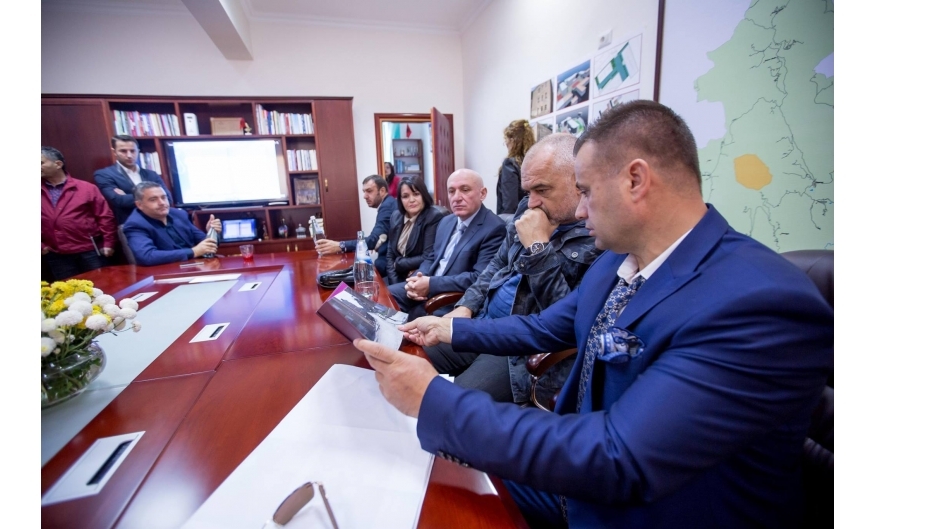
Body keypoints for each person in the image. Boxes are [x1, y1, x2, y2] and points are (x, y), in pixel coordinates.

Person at [355, 101, 833, 528]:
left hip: (635, 506)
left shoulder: (759, 302)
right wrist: (451, 329)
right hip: (578, 479)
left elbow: (620, 456)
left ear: (635, 180)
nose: (579, 211)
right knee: (427, 475)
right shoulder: (616, 262)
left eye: (585, 191)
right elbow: (542, 327)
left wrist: (433, 399)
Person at [424, 133, 600, 404]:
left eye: (542, 190)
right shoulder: (525, 209)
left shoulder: (597, 235)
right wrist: (466, 306)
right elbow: (497, 264)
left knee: (452, 404)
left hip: (519, 348)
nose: (531, 202)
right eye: (528, 191)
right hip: (483, 320)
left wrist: (538, 249)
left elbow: (565, 322)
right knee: (411, 355)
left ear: (578, 182)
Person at [387, 169, 506, 320]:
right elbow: (431, 257)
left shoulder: (494, 228)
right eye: (451, 191)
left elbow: (479, 278)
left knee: (406, 323)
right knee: (383, 296)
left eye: (465, 190)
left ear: (482, 193)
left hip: (452, 298)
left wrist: (431, 284)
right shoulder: (446, 221)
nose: (456, 197)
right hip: (428, 285)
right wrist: (417, 279)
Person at [41, 146, 117, 280]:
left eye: (41, 163)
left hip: (89, 251)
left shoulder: (86, 188)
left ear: (58, 164)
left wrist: (108, 243)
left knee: (99, 286)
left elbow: (105, 217)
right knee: (67, 290)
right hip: (56, 254)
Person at [122, 182, 221, 266]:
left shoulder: (179, 214)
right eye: (153, 199)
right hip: (166, 272)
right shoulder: (135, 224)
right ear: (139, 205)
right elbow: (147, 256)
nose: (161, 203)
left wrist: (211, 232)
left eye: (163, 198)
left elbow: (207, 246)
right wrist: (193, 252)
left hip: (196, 266)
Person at [315, 175, 397, 276]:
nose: (365, 196)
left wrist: (340, 246)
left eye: (369, 191)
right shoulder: (389, 203)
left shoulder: (387, 207)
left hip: (389, 268)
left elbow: (373, 240)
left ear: (382, 191)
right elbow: (379, 239)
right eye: (364, 192)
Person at [94, 135, 174, 224]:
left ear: (138, 151)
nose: (129, 155)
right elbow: (118, 201)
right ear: (114, 152)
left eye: (132, 151)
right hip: (129, 224)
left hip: (158, 222)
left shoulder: (151, 174)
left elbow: (168, 198)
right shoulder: (104, 174)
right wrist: (153, 197)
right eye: (123, 151)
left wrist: (127, 196)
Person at [385, 177, 446, 285]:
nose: (411, 200)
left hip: (418, 277)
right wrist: (394, 282)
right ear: (400, 199)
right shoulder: (396, 216)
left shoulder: (432, 217)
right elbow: (390, 254)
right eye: (405, 196)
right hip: (396, 277)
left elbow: (427, 256)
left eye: (416, 194)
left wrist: (399, 264)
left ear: (424, 195)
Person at [496, 119, 534, 216]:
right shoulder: (535, 163)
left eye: (506, 141)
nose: (506, 144)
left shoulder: (510, 164)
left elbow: (509, 205)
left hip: (514, 220)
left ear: (512, 140)